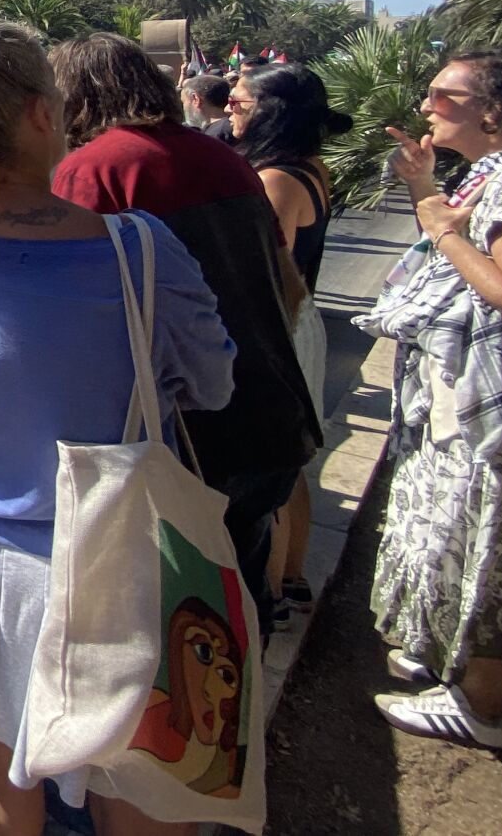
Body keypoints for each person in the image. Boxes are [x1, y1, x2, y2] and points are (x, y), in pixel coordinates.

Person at [0, 18, 235, 835]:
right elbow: (213, 381)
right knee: (141, 807)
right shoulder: (139, 249)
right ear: (37, 115)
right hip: (111, 565)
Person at [50, 34, 324, 640]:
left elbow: (69, 320)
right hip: (269, 417)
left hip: (184, 441)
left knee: (170, 647)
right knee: (235, 621)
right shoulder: (229, 161)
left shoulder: (92, 170)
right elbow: (291, 288)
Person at [369, 49, 502, 750]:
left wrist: (439, 227)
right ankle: (455, 665)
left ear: (493, 112)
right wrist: (427, 191)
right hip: (479, 393)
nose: (428, 104)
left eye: (444, 94)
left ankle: (482, 705)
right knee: (472, 531)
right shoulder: (492, 177)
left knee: (500, 544)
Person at [230, 61, 351, 625]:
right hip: (301, 321)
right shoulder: (310, 168)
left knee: (267, 467)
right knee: (292, 464)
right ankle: (295, 578)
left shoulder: (276, 179)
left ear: (271, 114)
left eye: (242, 102)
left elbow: (266, 268)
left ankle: (272, 594)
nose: (230, 106)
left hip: (279, 323)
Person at [183, 74, 234, 140]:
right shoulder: (235, 127)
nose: (183, 107)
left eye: (183, 101)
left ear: (196, 99)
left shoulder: (214, 137)